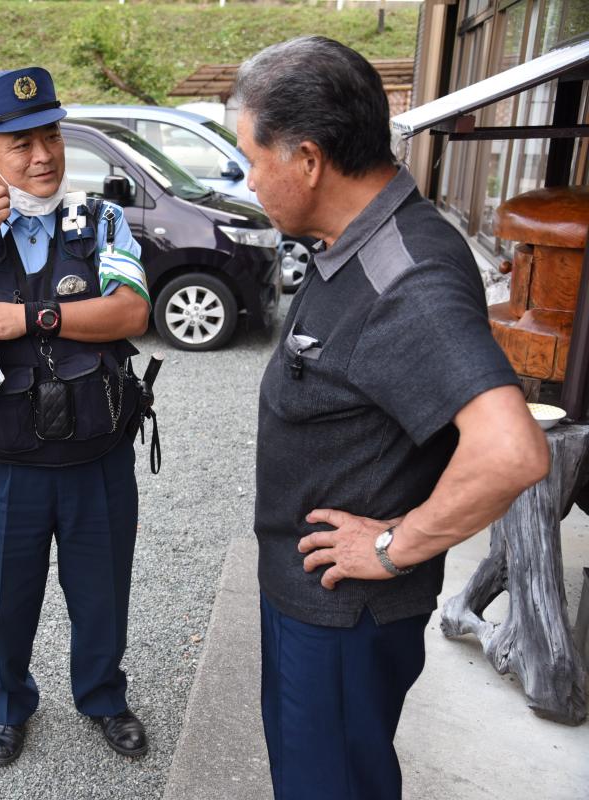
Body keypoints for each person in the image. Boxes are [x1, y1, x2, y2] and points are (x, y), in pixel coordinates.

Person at [235, 36, 550, 800]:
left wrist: (391, 545)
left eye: (252, 157)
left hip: (344, 617)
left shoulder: (402, 275)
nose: (248, 181)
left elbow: (513, 452)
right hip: (310, 595)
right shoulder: (352, 234)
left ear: (309, 160)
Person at [0, 67, 152, 765]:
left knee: (103, 594)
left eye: (50, 136)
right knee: (6, 602)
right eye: (21, 145)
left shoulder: (101, 221)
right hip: (5, 463)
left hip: (98, 458)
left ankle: (103, 696)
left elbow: (131, 312)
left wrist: (32, 318)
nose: (43, 156)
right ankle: (8, 705)